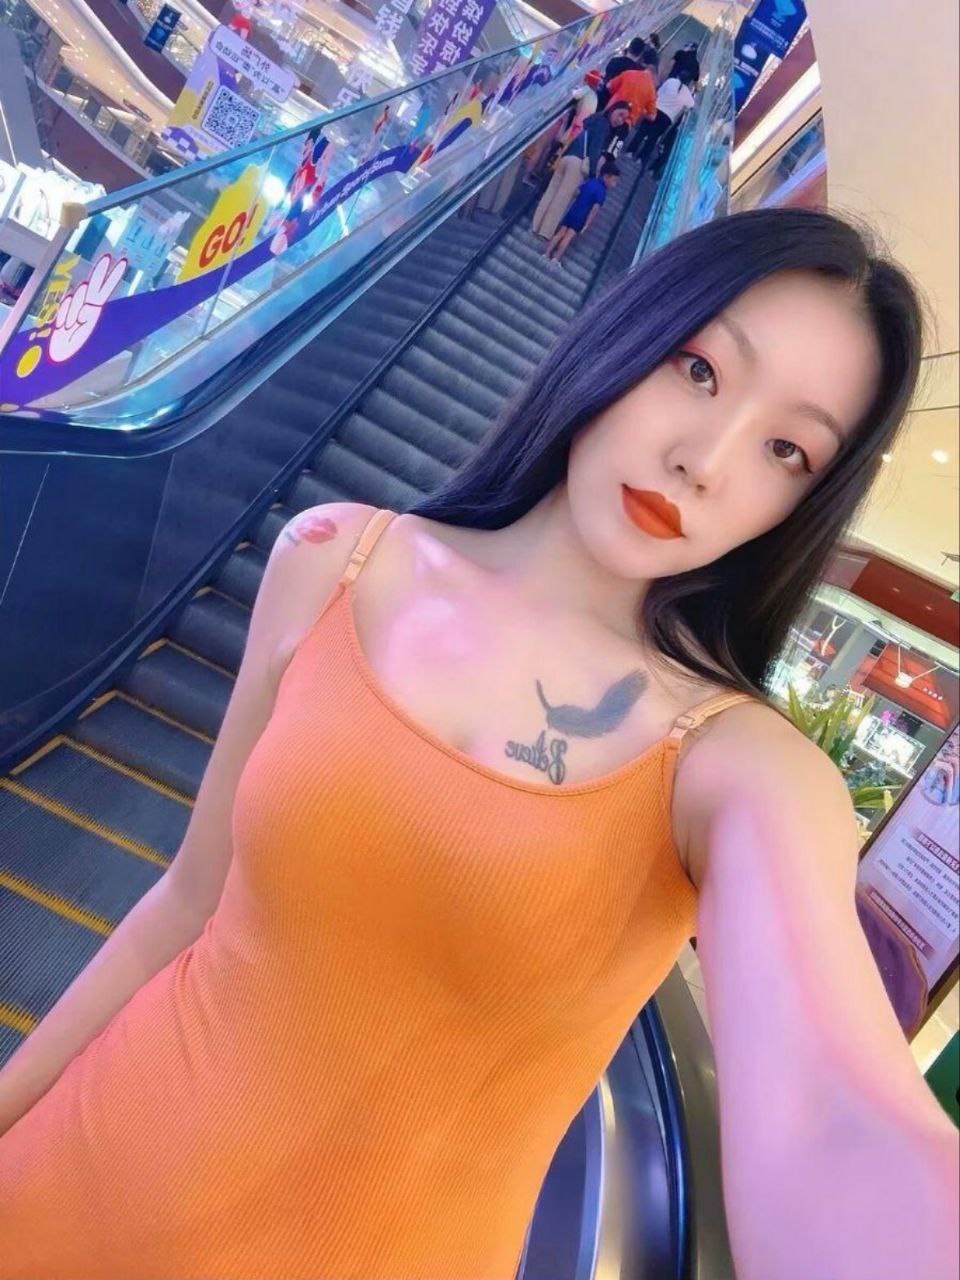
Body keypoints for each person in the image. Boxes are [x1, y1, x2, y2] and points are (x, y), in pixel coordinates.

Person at [1, 210, 957, 1280]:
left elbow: (832, 1119)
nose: (704, 459)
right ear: (629, 335)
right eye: (698, 369)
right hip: (66, 1180)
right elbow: (183, 906)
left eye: (787, 449)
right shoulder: (337, 558)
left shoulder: (736, 769)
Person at [531, 100, 630, 240]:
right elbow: (594, 151)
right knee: (561, 199)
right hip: (577, 164)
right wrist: (593, 174)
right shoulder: (604, 126)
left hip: (567, 157)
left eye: (624, 119)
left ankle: (535, 225)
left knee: (550, 193)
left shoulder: (594, 119)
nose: (620, 120)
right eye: (620, 114)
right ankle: (545, 232)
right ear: (613, 109)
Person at [543, 162, 620, 268]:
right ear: (606, 177)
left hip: (572, 210)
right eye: (614, 180)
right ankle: (556, 258)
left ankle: (546, 253)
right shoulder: (602, 192)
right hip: (581, 216)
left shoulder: (590, 181)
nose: (614, 184)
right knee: (568, 237)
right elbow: (594, 210)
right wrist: (586, 225)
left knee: (560, 232)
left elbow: (577, 191)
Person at [629, 66, 696, 167]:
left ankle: (630, 152)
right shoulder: (687, 94)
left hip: (655, 109)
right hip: (667, 118)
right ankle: (641, 159)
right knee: (653, 138)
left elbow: (658, 93)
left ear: (678, 76)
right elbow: (692, 105)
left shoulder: (670, 81)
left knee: (642, 131)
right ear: (689, 82)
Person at [602, 47, 659, 132]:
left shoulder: (629, 73)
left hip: (611, 112)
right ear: (654, 75)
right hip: (625, 124)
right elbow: (652, 117)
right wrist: (641, 109)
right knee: (612, 140)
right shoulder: (652, 91)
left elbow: (609, 86)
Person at [596, 35, 647, 109]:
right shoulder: (639, 73)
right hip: (617, 107)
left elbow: (606, 79)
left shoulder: (614, 61)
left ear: (629, 48)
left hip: (601, 99)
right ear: (640, 54)